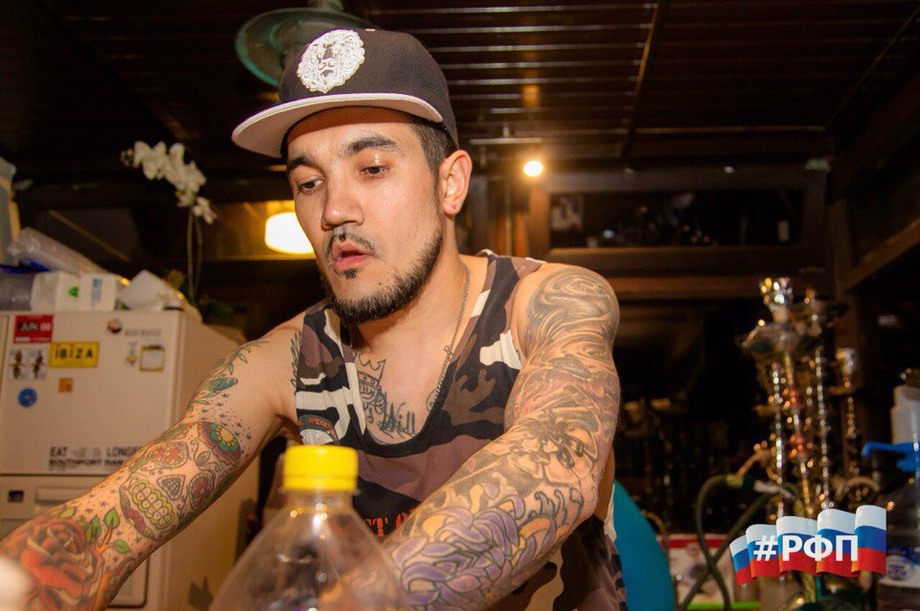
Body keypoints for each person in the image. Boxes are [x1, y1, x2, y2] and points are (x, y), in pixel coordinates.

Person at [0, 28, 625, 609]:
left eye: (372, 168)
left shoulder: (546, 302)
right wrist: (22, 578)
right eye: (307, 183)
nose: (334, 210)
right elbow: (110, 529)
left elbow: (555, 466)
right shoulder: (284, 363)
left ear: (450, 183)